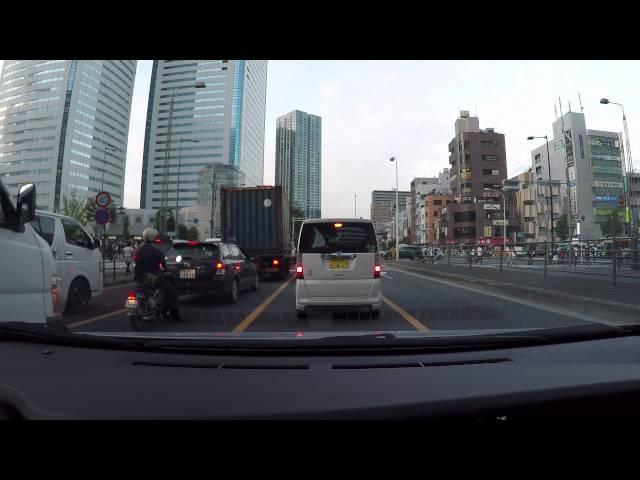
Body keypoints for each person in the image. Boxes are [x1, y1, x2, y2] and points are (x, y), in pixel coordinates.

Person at [134, 228, 180, 322]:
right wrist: (173, 269)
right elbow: (165, 267)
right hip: (151, 277)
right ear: (153, 237)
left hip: (138, 277)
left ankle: (155, 307)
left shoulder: (138, 249)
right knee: (171, 291)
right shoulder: (155, 250)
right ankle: (175, 316)